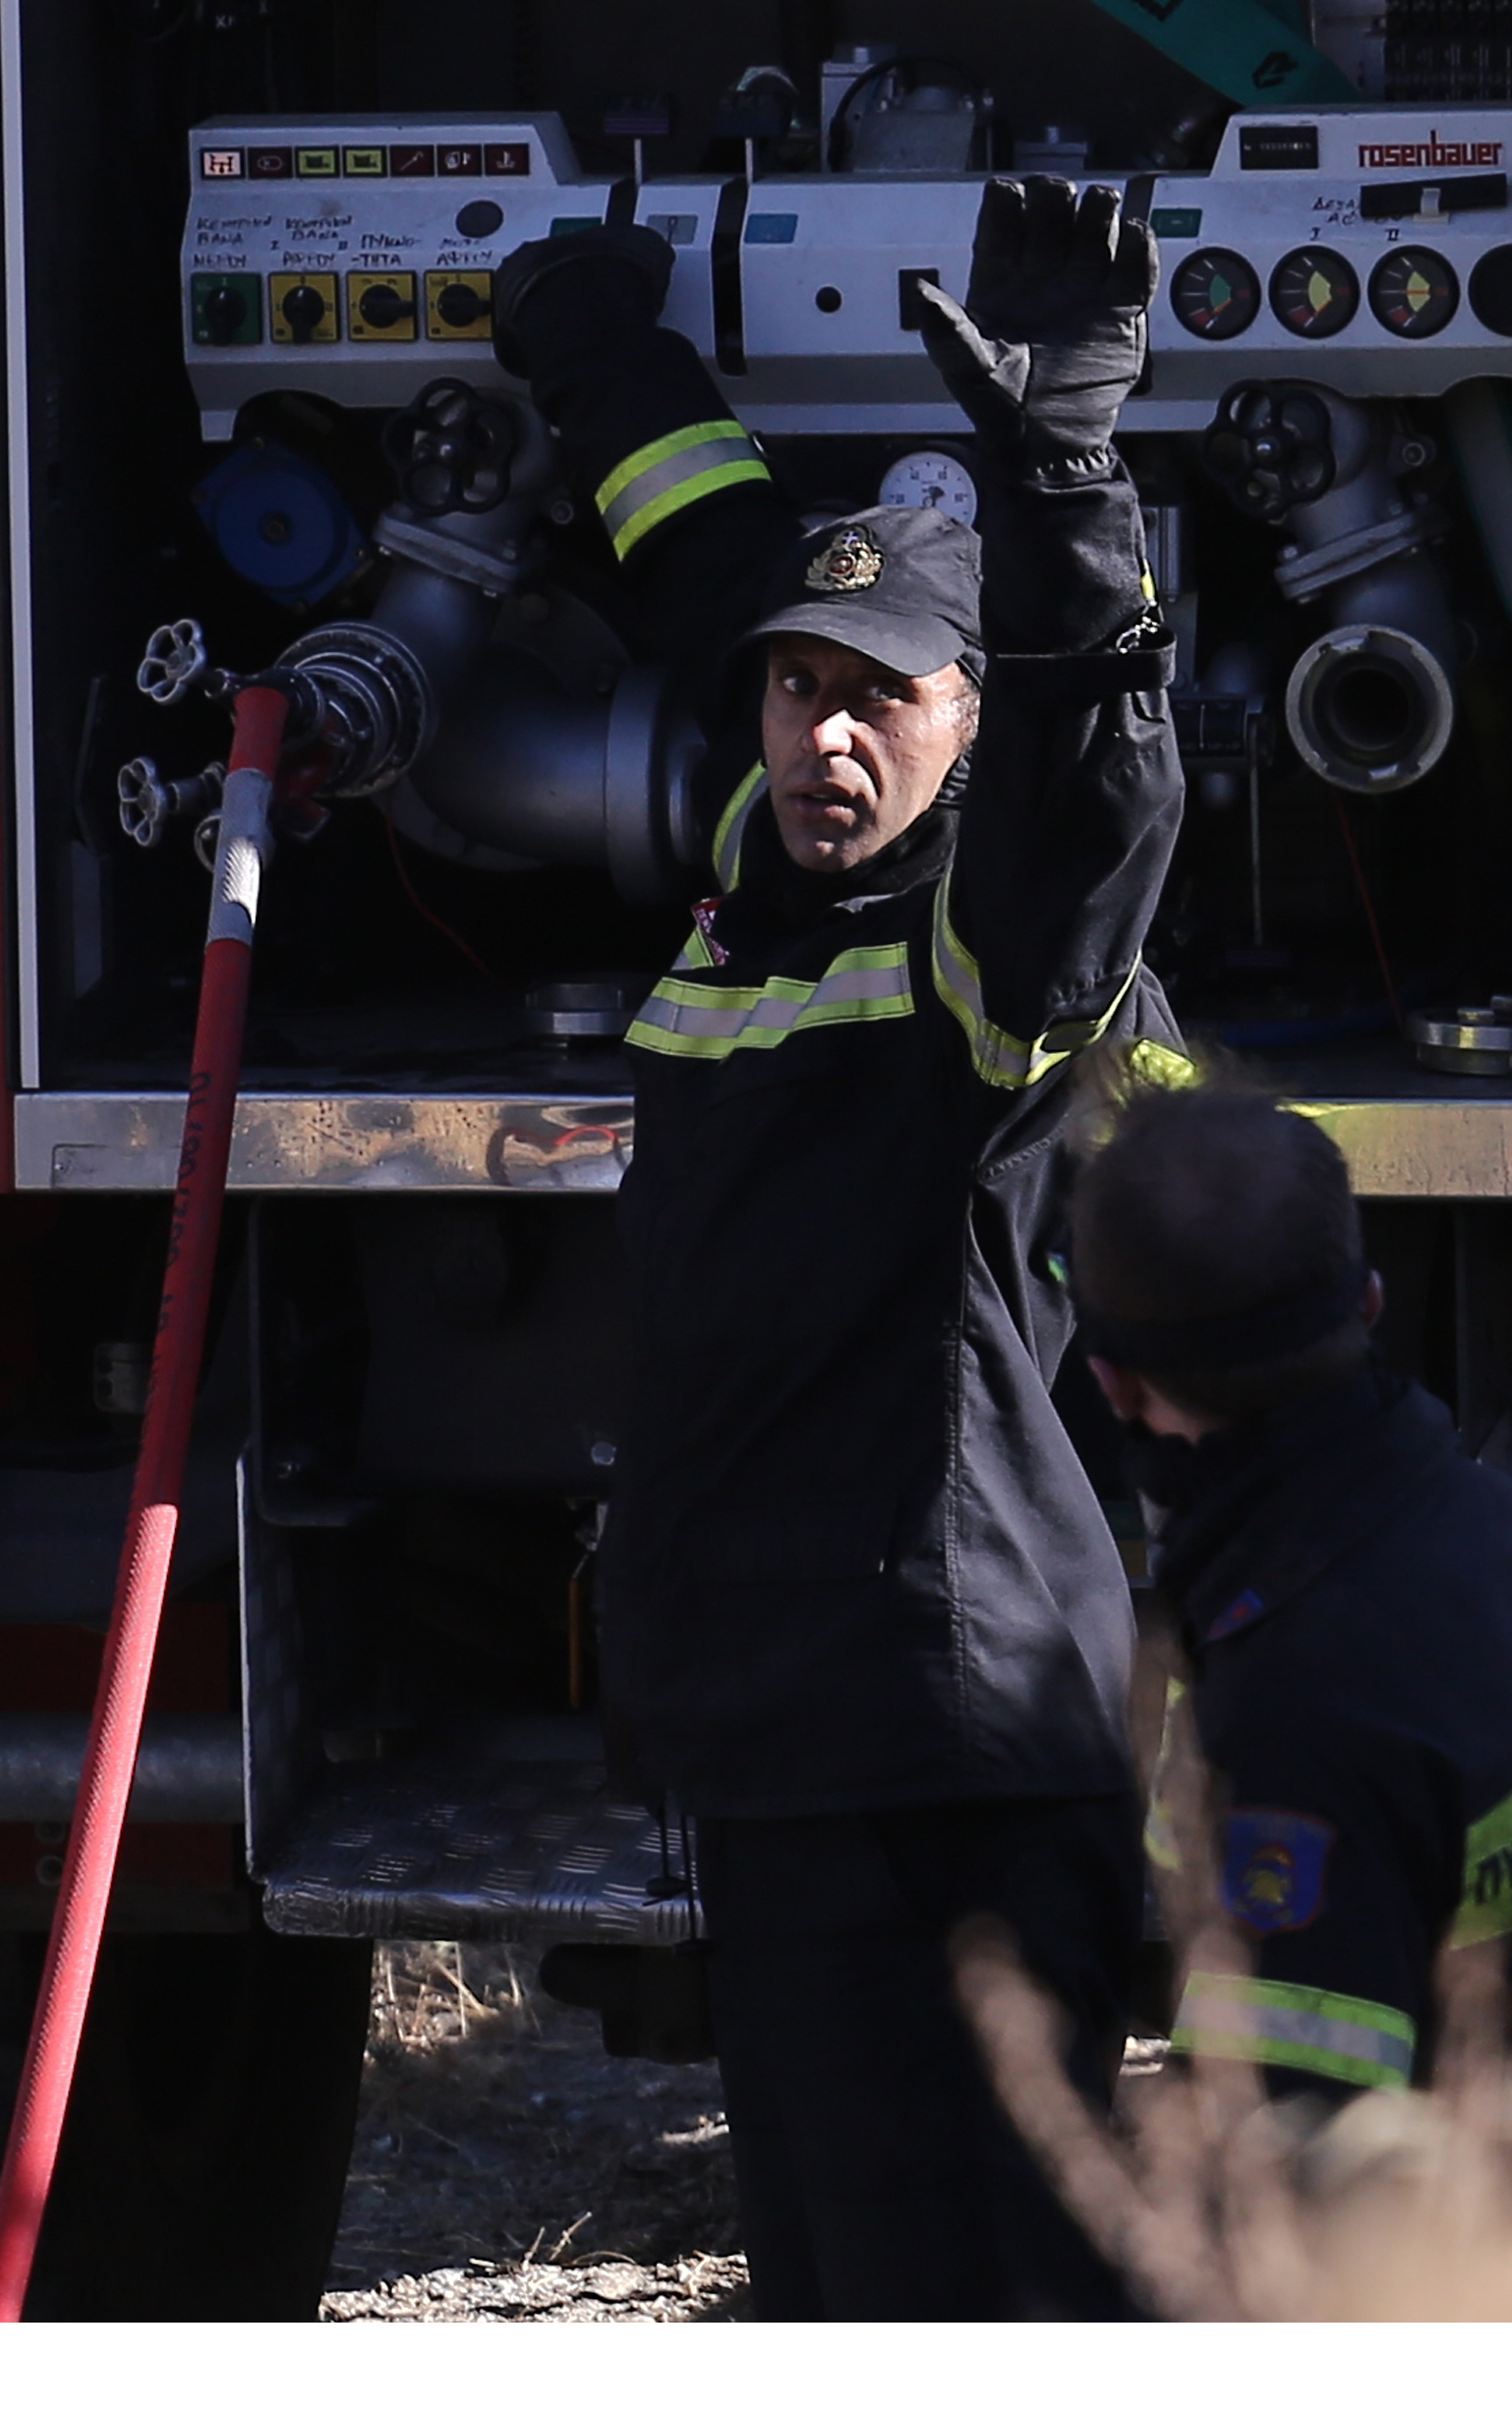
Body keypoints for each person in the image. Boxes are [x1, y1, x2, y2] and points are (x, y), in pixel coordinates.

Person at [490, 181, 1183, 2317]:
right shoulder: (761, 875)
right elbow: (724, 565)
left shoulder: (977, 957)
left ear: (964, 721)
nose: (826, 731)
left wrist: (1058, 474)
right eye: (798, 693)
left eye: (882, 699)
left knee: (950, 2300)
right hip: (788, 1743)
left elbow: (1092, 802)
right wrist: (593, 345)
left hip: (941, 1763)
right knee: (821, 2286)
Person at [1068, 1084, 1512, 2099]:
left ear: (1113, 1383)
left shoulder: (1291, 1709)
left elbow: (1299, 2147)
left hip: (1431, 2247)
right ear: (1369, 1299)